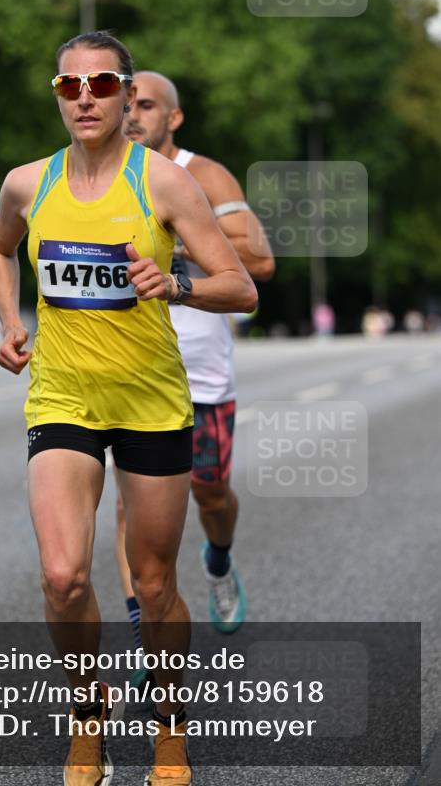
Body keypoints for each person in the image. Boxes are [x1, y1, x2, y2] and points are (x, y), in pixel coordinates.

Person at [0, 33, 257, 786]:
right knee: (63, 575)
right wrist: (12, 320)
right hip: (64, 394)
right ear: (56, 95)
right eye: (69, 86)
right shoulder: (26, 183)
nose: (84, 98)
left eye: (101, 85)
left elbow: (240, 286)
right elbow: (0, 252)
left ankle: (169, 727)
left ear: (122, 92)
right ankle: (86, 714)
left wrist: (171, 284)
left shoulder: (164, 186)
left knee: (153, 583)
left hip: (149, 399)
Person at [115, 71, 274, 654]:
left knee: (210, 492)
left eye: (147, 105)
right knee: (131, 513)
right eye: (126, 104)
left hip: (201, 372)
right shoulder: (102, 175)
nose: (132, 115)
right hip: (130, 365)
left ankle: (220, 559)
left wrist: (174, 237)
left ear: (173, 118)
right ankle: (144, 636)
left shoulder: (204, 175)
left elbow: (260, 261)